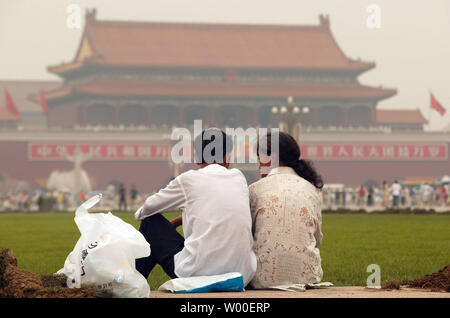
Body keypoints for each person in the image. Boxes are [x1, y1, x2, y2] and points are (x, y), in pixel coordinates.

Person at [134, 128, 257, 286]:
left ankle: (130, 284)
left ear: (197, 157)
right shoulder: (238, 177)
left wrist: (144, 217)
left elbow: (147, 209)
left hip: (197, 273)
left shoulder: (189, 180)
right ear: (227, 157)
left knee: (150, 223)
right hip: (242, 273)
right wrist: (180, 220)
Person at [248, 131, 323, 289]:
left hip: (261, 279)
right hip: (306, 277)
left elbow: (246, 236)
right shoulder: (311, 190)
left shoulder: (254, 190)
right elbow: (318, 239)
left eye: (259, 157)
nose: (259, 164)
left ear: (272, 157)